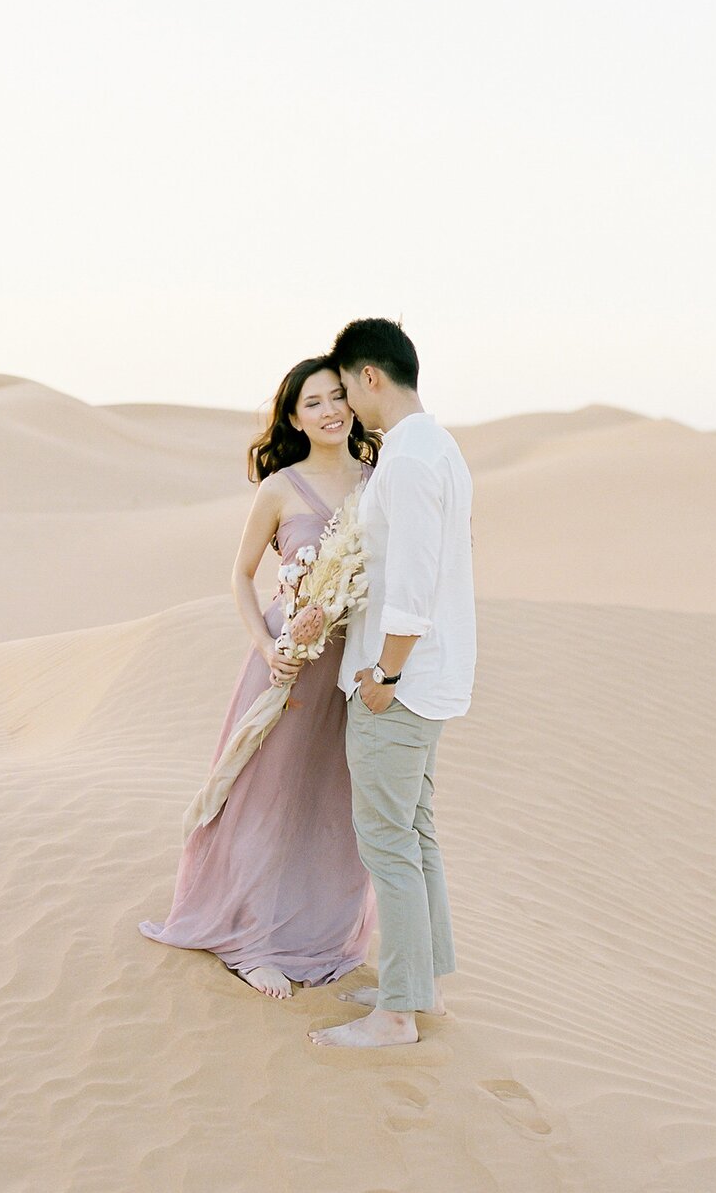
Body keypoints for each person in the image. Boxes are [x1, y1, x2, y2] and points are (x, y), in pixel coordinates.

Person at [139, 357, 380, 999]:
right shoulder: (280, 487)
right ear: (293, 418)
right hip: (288, 661)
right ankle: (250, 941)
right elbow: (242, 576)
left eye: (338, 398)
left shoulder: (377, 480)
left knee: (331, 800)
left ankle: (319, 932)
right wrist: (266, 644)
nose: (330, 411)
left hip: (351, 666)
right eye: (313, 403)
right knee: (265, 795)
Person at [309, 318, 476, 1048]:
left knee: (387, 839)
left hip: (401, 682)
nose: (349, 403)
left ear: (370, 376)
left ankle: (397, 1015)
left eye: (347, 388)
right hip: (429, 675)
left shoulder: (408, 459)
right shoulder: (441, 446)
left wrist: (385, 671)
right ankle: (420, 982)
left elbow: (411, 582)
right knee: (414, 829)